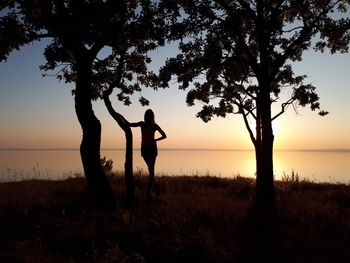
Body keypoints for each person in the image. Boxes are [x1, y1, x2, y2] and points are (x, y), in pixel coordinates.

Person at [129, 109, 167, 200]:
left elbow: (131, 124)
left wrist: (155, 140)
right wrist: (155, 140)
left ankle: (149, 193)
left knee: (151, 171)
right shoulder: (148, 124)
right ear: (153, 116)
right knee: (151, 171)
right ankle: (157, 186)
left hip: (148, 149)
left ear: (145, 116)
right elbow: (164, 136)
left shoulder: (147, 124)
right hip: (148, 149)